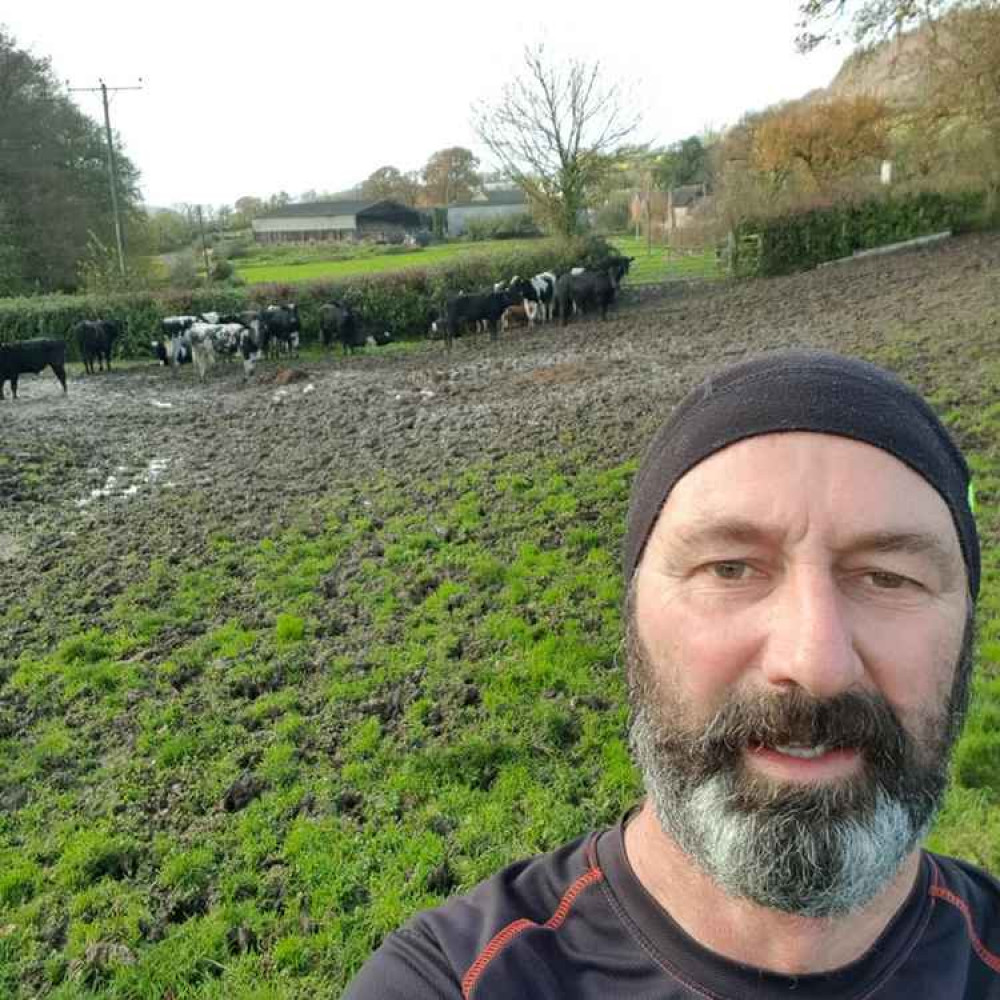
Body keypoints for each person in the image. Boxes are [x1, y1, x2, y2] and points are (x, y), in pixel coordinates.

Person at [344, 349, 1000, 999]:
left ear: (967, 630)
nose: (814, 663)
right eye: (730, 569)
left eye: (888, 577)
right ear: (632, 622)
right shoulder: (455, 983)